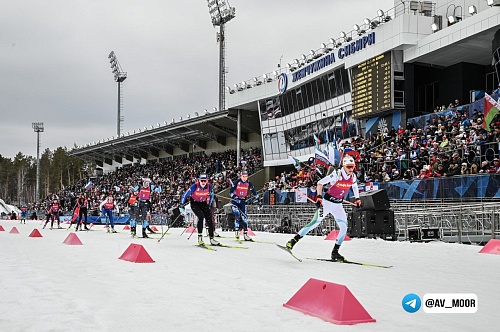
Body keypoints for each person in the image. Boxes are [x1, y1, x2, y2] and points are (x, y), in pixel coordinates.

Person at [285, 156, 362, 262]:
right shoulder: (337, 174)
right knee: (314, 223)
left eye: (352, 166)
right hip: (327, 203)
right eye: (349, 167)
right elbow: (320, 183)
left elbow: (355, 186)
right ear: (344, 166)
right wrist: (319, 196)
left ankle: (335, 252)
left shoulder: (353, 176)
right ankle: (292, 242)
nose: (351, 169)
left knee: (344, 228)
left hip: (338, 205)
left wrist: (357, 198)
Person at [180, 174, 219, 246]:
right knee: (201, 217)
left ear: (207, 181)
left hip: (203, 203)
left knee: (209, 219)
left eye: (205, 181)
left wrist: (209, 203)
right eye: (202, 181)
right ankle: (200, 237)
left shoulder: (209, 186)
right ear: (199, 180)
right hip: (194, 203)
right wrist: (182, 204)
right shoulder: (194, 186)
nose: (203, 182)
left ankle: (211, 238)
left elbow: (211, 195)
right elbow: (185, 194)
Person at [229, 170, 262, 242]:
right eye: (243, 177)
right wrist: (234, 197)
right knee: (237, 215)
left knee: (244, 217)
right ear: (241, 176)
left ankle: (245, 234)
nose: (244, 178)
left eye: (246, 177)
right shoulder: (237, 182)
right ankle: (237, 233)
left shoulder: (248, 183)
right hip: (235, 202)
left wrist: (259, 200)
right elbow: (230, 192)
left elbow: (254, 192)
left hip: (243, 201)